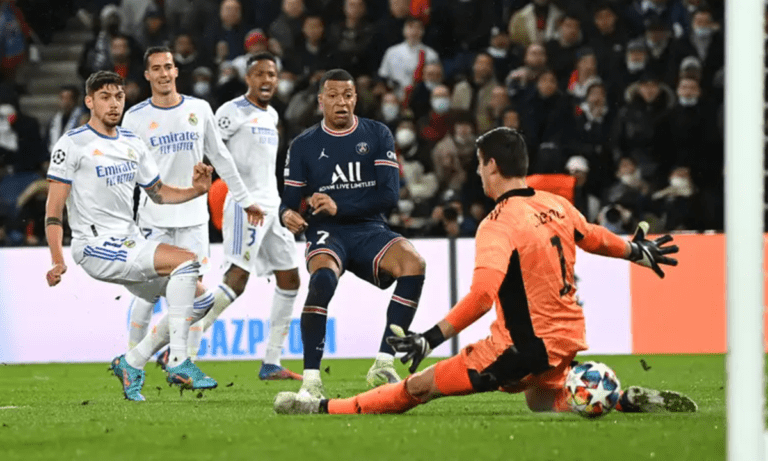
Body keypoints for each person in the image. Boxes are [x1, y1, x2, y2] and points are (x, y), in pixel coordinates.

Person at [273, 126, 697, 415]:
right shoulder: (555, 204)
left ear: (491, 164)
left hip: (519, 350)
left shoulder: (498, 223)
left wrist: (429, 338)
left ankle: (320, 407)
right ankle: (620, 400)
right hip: (566, 340)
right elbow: (595, 237)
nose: (477, 172)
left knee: (416, 389)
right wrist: (634, 251)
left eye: (479, 164)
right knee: (540, 400)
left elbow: (481, 297)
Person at [44, 71, 262, 401]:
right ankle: (179, 361)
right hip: (94, 245)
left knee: (202, 300)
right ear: (89, 101)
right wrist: (57, 259)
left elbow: (159, 193)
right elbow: (53, 209)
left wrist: (196, 190)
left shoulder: (132, 143)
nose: (114, 103)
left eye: (119, 96)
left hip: (129, 241)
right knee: (186, 262)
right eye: (105, 97)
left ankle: (132, 362)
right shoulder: (72, 144)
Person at [280, 68, 427, 397]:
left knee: (414, 264)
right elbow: (288, 203)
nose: (341, 102)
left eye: (347, 95)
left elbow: (389, 196)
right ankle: (311, 381)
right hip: (326, 231)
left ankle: (384, 362)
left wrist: (339, 205)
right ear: (321, 101)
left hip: (369, 228)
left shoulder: (377, 134)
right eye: (333, 96)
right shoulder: (303, 145)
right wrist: (287, 215)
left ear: (355, 99)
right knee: (322, 280)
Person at [121, 46, 264, 357]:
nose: (163, 73)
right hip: (154, 218)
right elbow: (124, 173)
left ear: (175, 71)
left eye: (167, 67)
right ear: (147, 75)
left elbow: (221, 157)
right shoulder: (134, 118)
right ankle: (132, 360)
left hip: (194, 219)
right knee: (149, 293)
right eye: (156, 68)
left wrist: (245, 199)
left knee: (195, 294)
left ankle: (183, 361)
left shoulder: (199, 109)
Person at [187, 52, 302, 381]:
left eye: (272, 74)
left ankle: (271, 362)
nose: (267, 80)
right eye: (260, 74)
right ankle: (184, 351)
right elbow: (209, 150)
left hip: (272, 207)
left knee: (290, 279)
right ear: (248, 78)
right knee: (237, 279)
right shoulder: (231, 111)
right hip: (244, 205)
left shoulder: (272, 115)